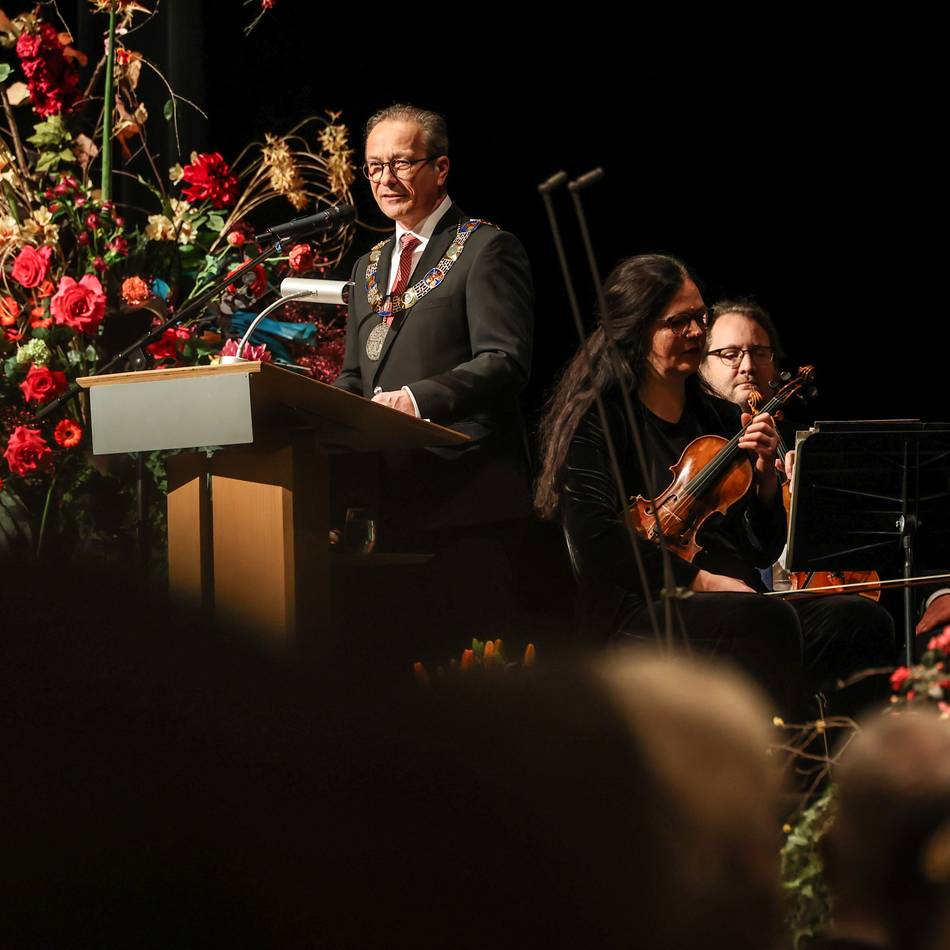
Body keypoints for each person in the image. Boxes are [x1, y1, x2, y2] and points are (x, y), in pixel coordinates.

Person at [535, 254, 803, 714]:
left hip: (733, 602)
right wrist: (703, 582)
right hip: (635, 610)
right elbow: (594, 542)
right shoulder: (599, 419)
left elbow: (759, 549)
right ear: (638, 331)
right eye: (679, 323)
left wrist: (762, 479)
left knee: (858, 622)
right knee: (767, 622)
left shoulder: (718, 417)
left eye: (700, 318)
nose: (698, 332)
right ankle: (770, 770)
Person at [333, 104, 534, 649]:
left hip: (468, 502)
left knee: (469, 684)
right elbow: (355, 374)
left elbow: (505, 360)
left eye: (400, 163)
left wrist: (416, 400)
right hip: (391, 503)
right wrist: (321, 414)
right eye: (374, 166)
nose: (384, 179)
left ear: (440, 169)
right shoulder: (368, 265)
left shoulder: (486, 248)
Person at [700, 299, 895, 706]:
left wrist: (807, 491)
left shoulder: (804, 443)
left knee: (865, 619)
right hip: (729, 606)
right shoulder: (696, 444)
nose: (748, 365)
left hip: (802, 601)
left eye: (759, 353)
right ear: (701, 365)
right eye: (730, 354)